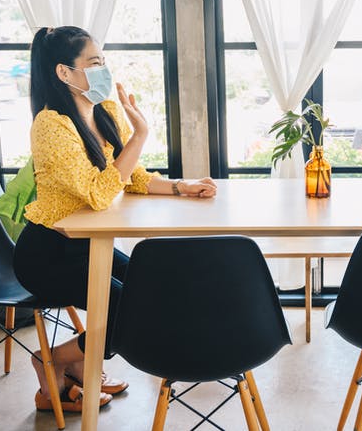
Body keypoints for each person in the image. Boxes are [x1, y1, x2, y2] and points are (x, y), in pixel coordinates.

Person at [14, 26, 217, 412]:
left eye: (103, 61)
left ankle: (71, 362)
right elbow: (99, 192)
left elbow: (131, 176)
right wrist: (141, 135)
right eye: (94, 63)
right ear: (64, 73)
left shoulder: (105, 112)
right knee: (132, 311)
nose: (103, 69)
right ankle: (53, 360)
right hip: (48, 254)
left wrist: (180, 186)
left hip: (92, 245)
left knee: (150, 294)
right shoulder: (51, 126)